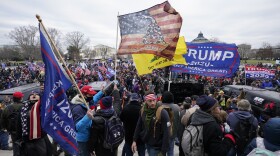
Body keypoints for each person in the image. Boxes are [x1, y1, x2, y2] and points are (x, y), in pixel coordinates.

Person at [132, 92, 170, 156]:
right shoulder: (143, 111)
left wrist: (163, 151)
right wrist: (134, 140)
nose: (152, 103)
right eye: (150, 101)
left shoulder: (162, 112)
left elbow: (167, 133)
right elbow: (138, 126)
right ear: (146, 101)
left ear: (156, 100)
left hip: (157, 147)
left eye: (154, 100)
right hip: (147, 143)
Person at [71, 85, 104, 156]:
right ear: (84, 95)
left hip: (88, 135)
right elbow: (77, 127)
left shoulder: (86, 101)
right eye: (90, 94)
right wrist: (87, 117)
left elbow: (94, 99)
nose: (92, 96)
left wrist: (101, 92)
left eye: (92, 94)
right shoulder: (78, 109)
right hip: (82, 139)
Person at [18, 91, 52, 156]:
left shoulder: (44, 107)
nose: (34, 95)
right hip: (27, 138)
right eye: (32, 94)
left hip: (40, 137)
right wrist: (18, 137)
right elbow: (19, 124)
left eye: (36, 94)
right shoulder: (23, 108)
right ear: (29, 97)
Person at [1, 91, 24, 156]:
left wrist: (5, 128)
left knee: (15, 144)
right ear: (21, 98)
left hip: (13, 130)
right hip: (24, 130)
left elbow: (3, 119)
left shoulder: (7, 108)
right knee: (24, 145)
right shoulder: (25, 106)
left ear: (13, 98)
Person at [161, 91, 180, 156]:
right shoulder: (177, 107)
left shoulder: (159, 107)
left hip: (161, 135)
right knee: (170, 151)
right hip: (172, 134)